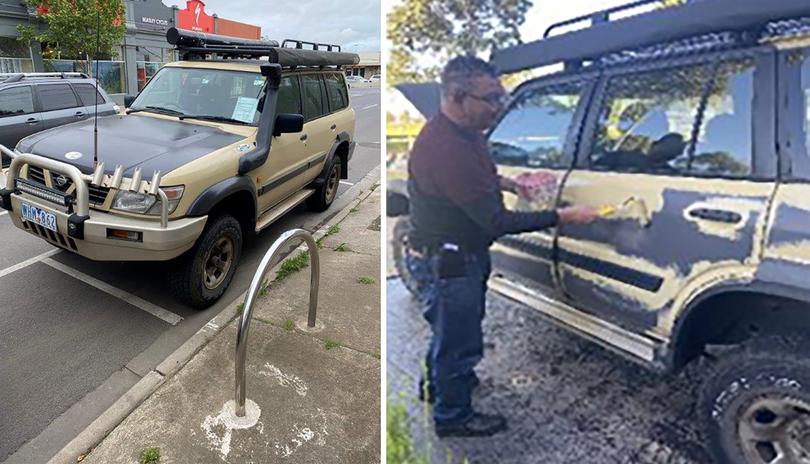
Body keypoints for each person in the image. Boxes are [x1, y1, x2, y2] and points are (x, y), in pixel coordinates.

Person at [405, 56, 599, 438]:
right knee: (459, 341)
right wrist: (563, 216)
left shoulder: (466, 131)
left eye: (502, 97)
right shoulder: (446, 148)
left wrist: (514, 185)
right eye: (492, 98)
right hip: (451, 261)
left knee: (448, 333)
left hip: (453, 254)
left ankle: (438, 388)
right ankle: (453, 417)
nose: (500, 107)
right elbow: (497, 222)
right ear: (459, 97)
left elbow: (481, 176)